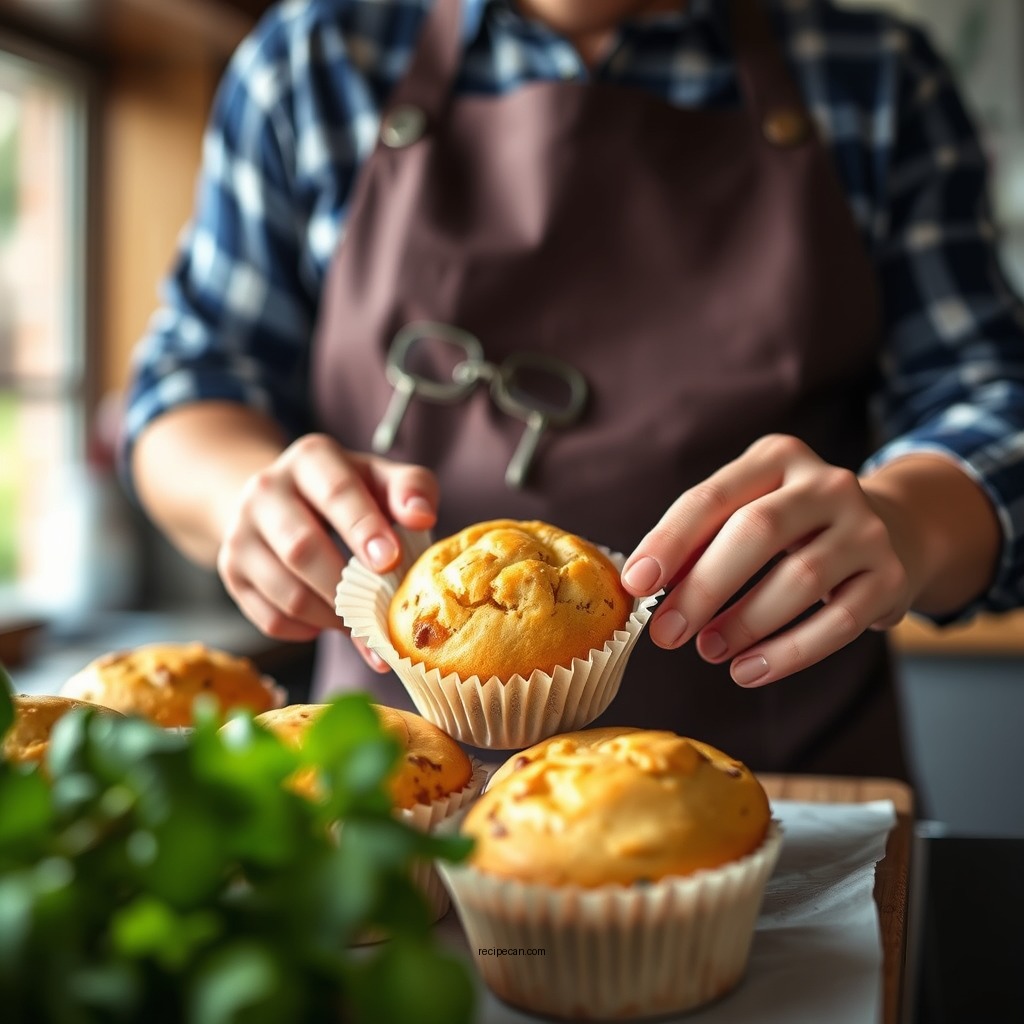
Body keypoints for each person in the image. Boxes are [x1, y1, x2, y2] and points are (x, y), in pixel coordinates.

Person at [121, 0, 1024, 779]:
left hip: (784, 797)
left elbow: (991, 397)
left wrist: (904, 519)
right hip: (385, 794)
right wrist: (249, 494)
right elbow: (190, 384)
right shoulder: (314, 61)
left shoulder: (872, 79)